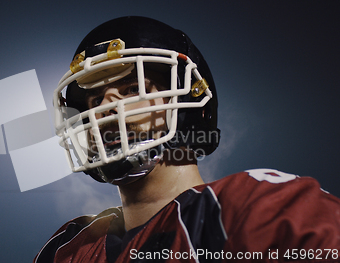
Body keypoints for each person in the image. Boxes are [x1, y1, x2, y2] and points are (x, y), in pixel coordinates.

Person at [34, 16, 340, 263]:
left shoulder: (252, 208)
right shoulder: (68, 248)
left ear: (185, 104)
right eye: (95, 99)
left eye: (130, 90)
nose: (106, 109)